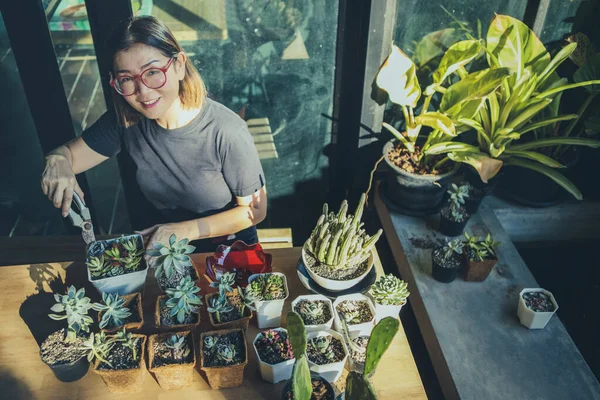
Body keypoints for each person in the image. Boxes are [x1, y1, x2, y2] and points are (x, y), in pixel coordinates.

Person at [40, 16, 267, 254]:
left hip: (230, 253)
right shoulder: (126, 120)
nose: (143, 91)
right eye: (127, 79)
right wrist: (57, 160)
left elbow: (255, 211)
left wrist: (183, 231)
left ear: (179, 64)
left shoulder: (226, 131)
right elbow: (66, 156)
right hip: (165, 251)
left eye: (152, 72)